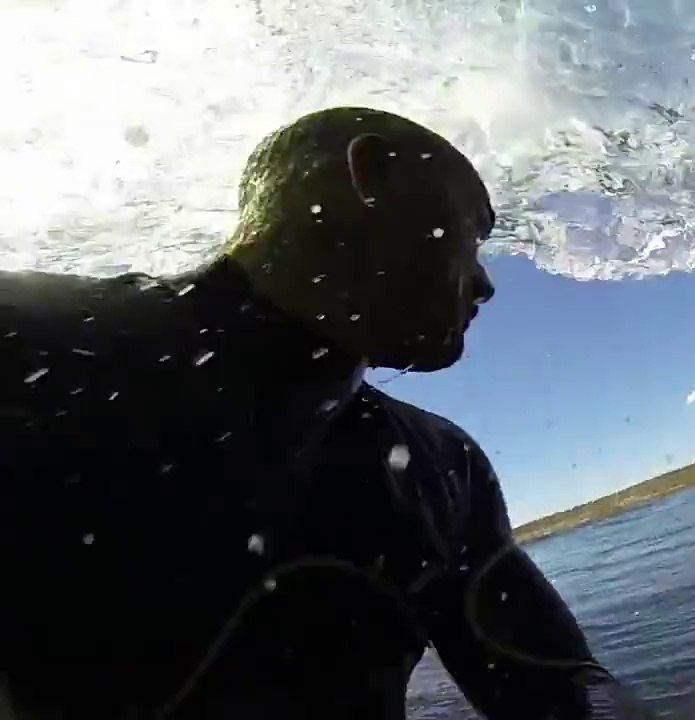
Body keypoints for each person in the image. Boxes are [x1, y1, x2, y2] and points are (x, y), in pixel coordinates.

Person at [0, 107, 650, 720]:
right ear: (370, 175)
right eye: (473, 233)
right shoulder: (27, 346)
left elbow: (561, 686)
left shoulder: (444, 469)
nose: (485, 283)